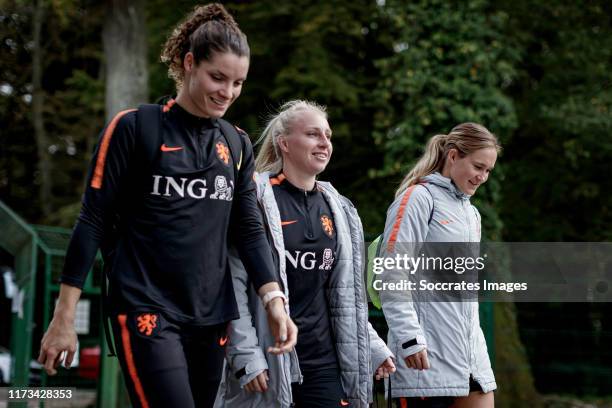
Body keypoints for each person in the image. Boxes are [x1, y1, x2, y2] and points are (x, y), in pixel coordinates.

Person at [38, 4, 296, 408]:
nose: (227, 92)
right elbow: (92, 220)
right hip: (146, 307)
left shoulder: (237, 143)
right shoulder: (134, 128)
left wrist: (273, 301)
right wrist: (63, 317)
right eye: (217, 77)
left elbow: (248, 230)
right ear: (189, 63)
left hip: (212, 317)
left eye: (238, 83)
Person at [214, 100, 396, 408]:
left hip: (324, 364)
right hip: (270, 361)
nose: (325, 142)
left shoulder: (339, 206)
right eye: (313, 134)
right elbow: (232, 285)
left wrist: (373, 348)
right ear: (284, 143)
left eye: (328, 135)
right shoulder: (254, 198)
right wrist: (246, 354)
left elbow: (344, 295)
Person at [380, 123, 499, 408]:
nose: (482, 177)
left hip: (472, 358)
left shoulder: (472, 214)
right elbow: (391, 271)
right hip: (424, 359)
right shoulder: (418, 198)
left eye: (488, 171)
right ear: (454, 156)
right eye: (478, 167)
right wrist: (409, 337)